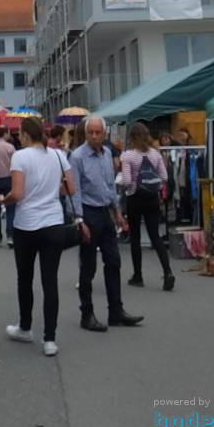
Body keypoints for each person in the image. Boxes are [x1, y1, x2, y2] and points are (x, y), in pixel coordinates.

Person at [0, 117, 77, 356]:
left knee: (25, 278)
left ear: (26, 135)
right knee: (50, 281)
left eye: (20, 133)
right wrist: (51, 190)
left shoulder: (20, 156)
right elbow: (71, 189)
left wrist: (3, 200)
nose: (19, 137)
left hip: (27, 224)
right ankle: (50, 339)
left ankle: (25, 326)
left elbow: (18, 194)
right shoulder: (59, 155)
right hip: (53, 222)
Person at [69, 116, 144, 332]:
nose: (93, 136)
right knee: (88, 267)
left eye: (97, 132)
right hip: (88, 212)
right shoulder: (77, 157)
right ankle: (87, 313)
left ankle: (116, 311)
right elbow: (74, 192)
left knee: (114, 261)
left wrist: (117, 212)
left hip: (105, 212)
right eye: (90, 132)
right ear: (85, 134)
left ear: (104, 134)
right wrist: (79, 220)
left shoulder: (108, 153)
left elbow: (110, 185)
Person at [121, 122, 174, 291]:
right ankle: (168, 272)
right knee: (155, 237)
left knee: (135, 238)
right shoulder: (155, 154)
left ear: (132, 137)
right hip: (152, 199)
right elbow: (164, 177)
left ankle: (138, 276)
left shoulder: (128, 156)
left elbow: (128, 181)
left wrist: (123, 184)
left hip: (135, 199)